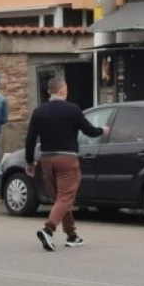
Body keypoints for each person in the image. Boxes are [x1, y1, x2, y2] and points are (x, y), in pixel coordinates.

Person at [24, 76, 108, 250]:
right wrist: (103, 130)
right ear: (62, 90)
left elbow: (30, 139)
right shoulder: (72, 110)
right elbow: (89, 131)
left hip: (46, 159)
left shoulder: (39, 112)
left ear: (49, 91)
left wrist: (30, 162)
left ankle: (71, 235)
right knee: (65, 197)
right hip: (67, 159)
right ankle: (48, 230)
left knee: (60, 198)